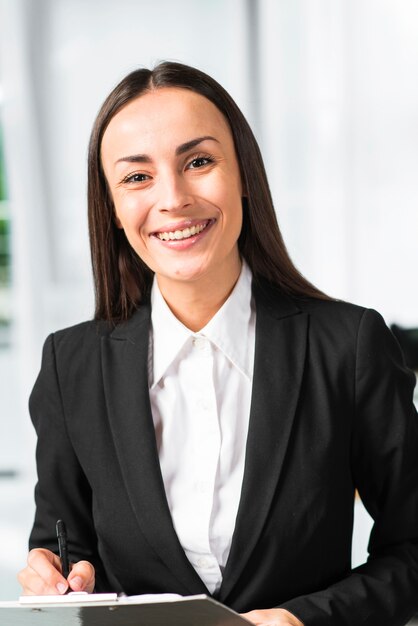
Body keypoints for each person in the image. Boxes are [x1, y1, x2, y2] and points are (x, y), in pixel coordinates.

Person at [18, 61, 418, 626]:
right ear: (111, 207)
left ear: (244, 175)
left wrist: (309, 619)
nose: (174, 198)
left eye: (199, 161)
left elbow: (412, 550)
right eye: (137, 177)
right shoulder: (71, 365)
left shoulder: (346, 347)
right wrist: (56, 572)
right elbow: (65, 547)